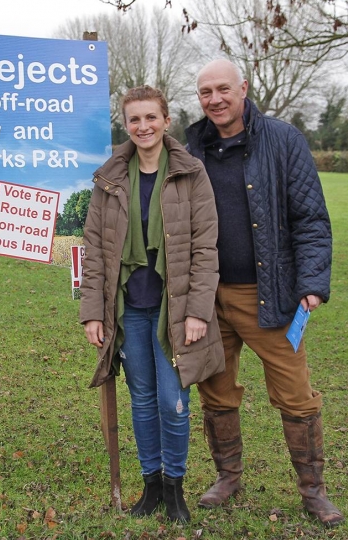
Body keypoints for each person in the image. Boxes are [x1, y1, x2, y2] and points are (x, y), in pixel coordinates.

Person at [184, 59, 344, 527]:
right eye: (205, 92)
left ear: (244, 89)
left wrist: (312, 283)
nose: (214, 99)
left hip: (270, 294)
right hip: (206, 298)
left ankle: (313, 491)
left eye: (222, 89)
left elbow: (311, 218)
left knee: (296, 396)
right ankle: (228, 476)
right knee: (216, 390)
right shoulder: (190, 146)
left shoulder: (282, 139)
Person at [80, 85, 224, 522]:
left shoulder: (190, 173)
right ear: (126, 125)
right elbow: (94, 249)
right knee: (141, 399)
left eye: (151, 118)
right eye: (134, 120)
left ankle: (176, 488)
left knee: (172, 400)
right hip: (128, 309)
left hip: (174, 308)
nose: (143, 127)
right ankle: (151, 486)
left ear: (165, 121)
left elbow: (205, 248)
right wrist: (91, 312)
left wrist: (198, 310)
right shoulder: (110, 178)